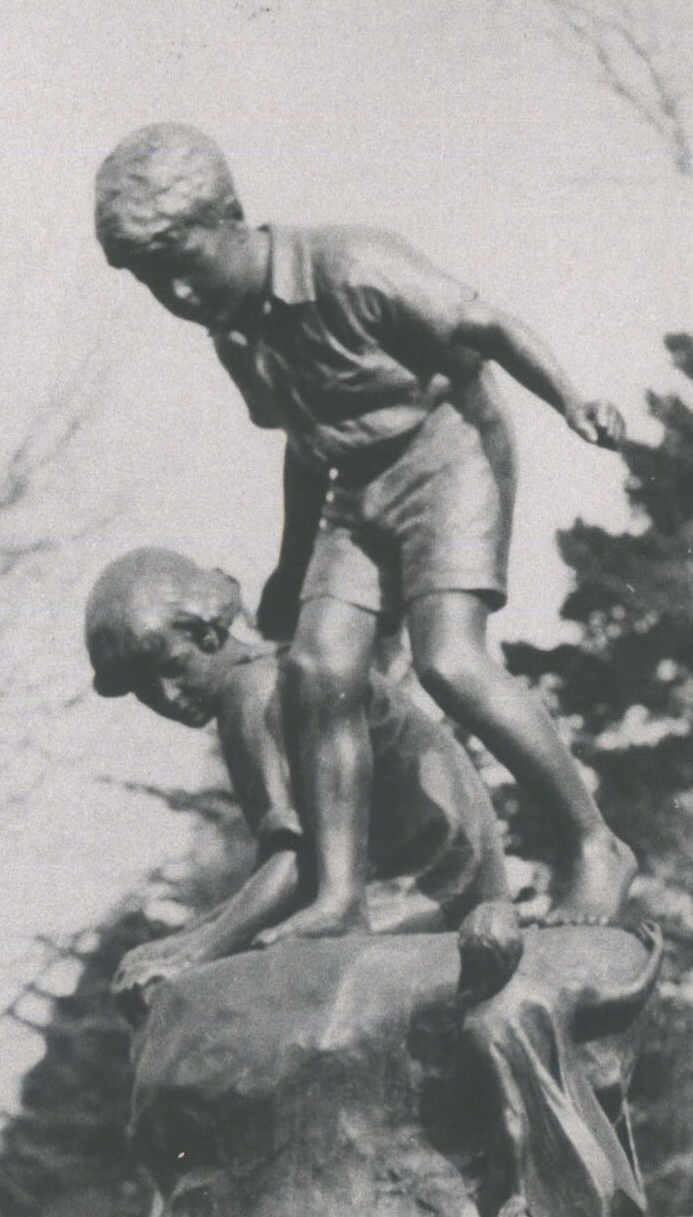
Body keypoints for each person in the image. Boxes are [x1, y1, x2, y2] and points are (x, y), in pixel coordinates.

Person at [94, 123, 639, 930]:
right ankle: (338, 892)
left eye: (183, 266)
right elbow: (305, 443)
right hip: (357, 488)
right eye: (151, 283)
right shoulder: (235, 340)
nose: (176, 295)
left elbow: (484, 328)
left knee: (449, 662)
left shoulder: (348, 265)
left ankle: (594, 846)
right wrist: (288, 567)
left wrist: (570, 398)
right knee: (316, 670)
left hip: (448, 451)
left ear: (231, 217)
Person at [83, 545, 520, 1010]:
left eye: (172, 668)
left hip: (431, 890)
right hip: (459, 882)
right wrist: (189, 939)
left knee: (242, 992)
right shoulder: (273, 673)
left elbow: (293, 866)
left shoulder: (249, 696)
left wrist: (191, 953)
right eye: (144, 689)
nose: (168, 696)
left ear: (208, 634)